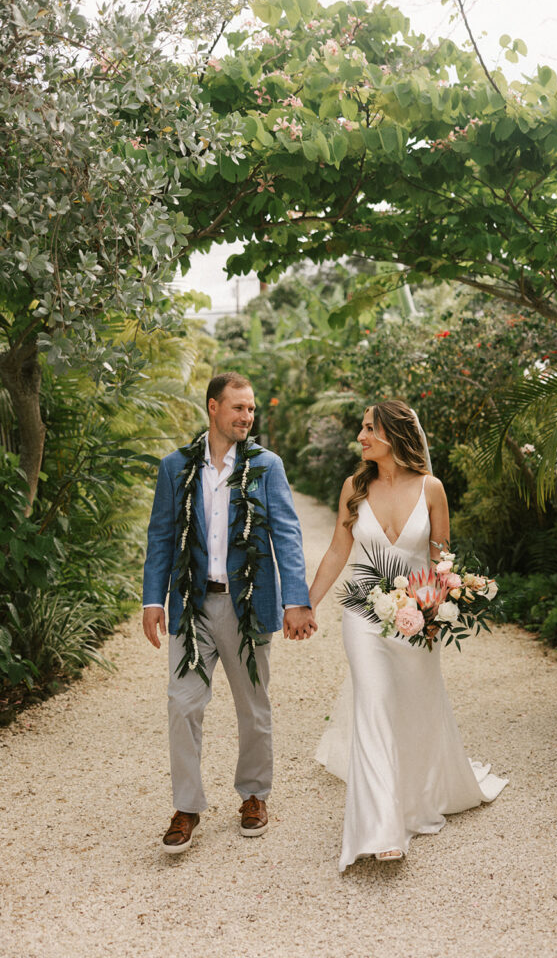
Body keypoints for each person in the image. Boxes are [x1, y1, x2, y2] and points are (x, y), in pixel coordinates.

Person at [309, 400, 507, 871]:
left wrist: (439, 606)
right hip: (362, 615)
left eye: (368, 428)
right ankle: (380, 830)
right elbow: (340, 549)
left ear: (393, 435)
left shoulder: (432, 489)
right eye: (361, 428)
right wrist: (304, 602)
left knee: (416, 712)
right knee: (373, 705)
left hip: (417, 620)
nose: (360, 436)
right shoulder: (354, 487)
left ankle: (417, 799)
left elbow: (441, 560)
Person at [142, 372, 316, 854]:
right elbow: (160, 537)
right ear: (213, 408)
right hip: (191, 606)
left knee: (253, 708)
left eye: (252, 409)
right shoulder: (176, 467)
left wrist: (295, 600)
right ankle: (187, 806)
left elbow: (287, 533)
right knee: (183, 704)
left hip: (247, 606)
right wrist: (153, 600)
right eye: (239, 408)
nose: (248, 417)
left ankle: (255, 795)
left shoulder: (267, 466)